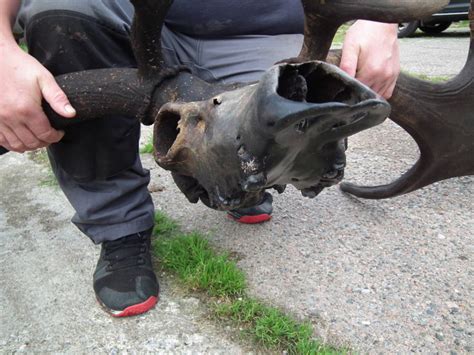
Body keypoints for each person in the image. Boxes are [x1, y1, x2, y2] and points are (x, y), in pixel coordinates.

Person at [0, 0, 400, 317]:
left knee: (288, 106)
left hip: (265, 31)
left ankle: (243, 182)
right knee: (64, 12)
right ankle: (118, 225)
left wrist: (380, 20)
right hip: (132, 21)